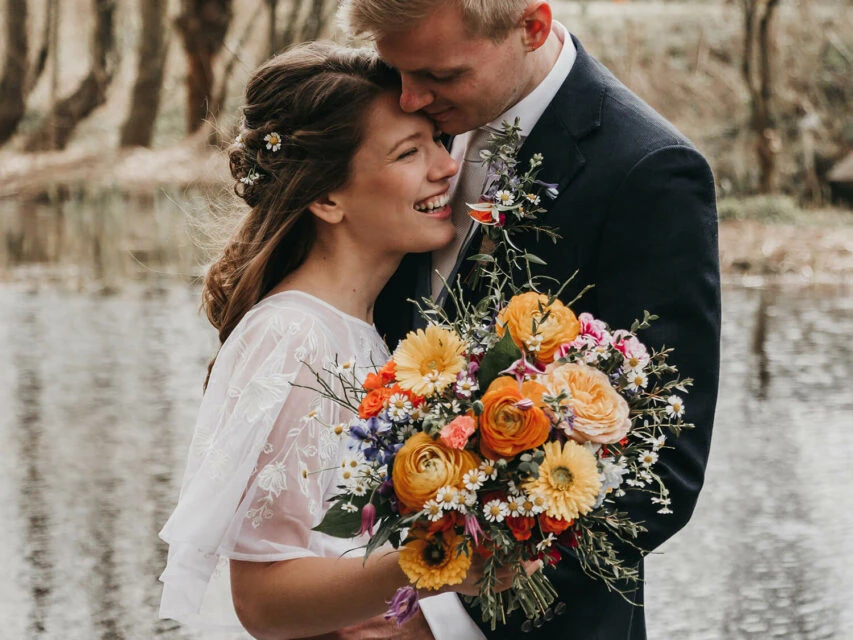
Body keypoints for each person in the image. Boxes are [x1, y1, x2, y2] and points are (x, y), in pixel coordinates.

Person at [340, 1, 722, 638]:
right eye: (396, 69)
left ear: (532, 26)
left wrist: (436, 611)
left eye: (440, 75)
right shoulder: (393, 113)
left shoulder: (647, 173)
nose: (408, 98)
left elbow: (662, 470)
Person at [158, 42, 510, 640]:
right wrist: (432, 561)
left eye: (435, 141)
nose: (446, 167)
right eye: (408, 152)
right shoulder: (294, 336)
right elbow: (262, 599)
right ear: (327, 198)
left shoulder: (362, 331)